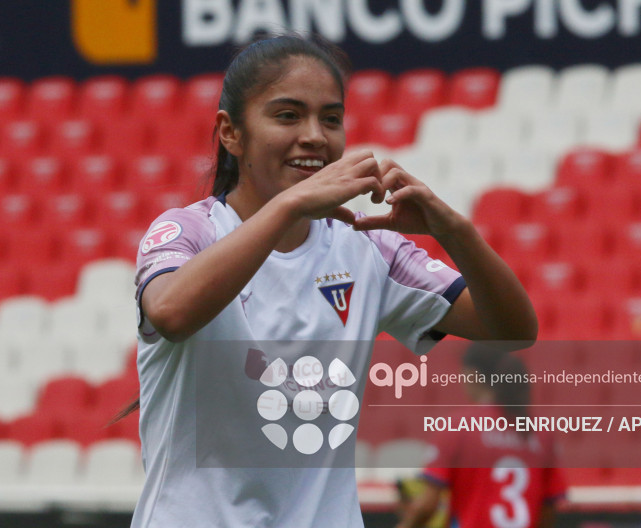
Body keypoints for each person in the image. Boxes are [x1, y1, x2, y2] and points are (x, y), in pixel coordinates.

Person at [132, 33, 537, 527]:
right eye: (287, 116)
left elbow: (515, 331)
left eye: (331, 118)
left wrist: (453, 230)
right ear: (230, 133)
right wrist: (291, 205)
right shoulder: (188, 231)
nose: (315, 136)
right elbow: (171, 313)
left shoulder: (365, 248)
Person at [396, 344, 566, 528]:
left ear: (473, 374)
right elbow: (548, 509)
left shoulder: (459, 426)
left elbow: (428, 505)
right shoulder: (542, 433)